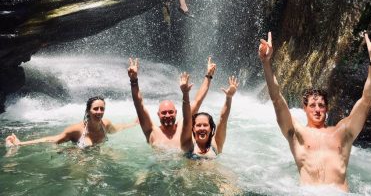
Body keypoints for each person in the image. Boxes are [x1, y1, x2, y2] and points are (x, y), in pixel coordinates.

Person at [258, 31, 371, 191]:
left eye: (321, 105)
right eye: (312, 105)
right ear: (304, 108)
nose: (317, 109)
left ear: (327, 108)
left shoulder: (343, 132)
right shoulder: (297, 133)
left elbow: (366, 101)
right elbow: (276, 99)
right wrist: (266, 62)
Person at [128, 57, 216, 149]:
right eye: (163, 113)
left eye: (170, 112)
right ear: (158, 114)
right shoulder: (151, 131)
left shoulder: (183, 126)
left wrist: (209, 76)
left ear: (176, 113)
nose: (167, 115)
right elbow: (139, 105)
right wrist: (133, 80)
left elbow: (198, 101)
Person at [5, 96, 138, 148]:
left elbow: (117, 129)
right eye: (95, 109)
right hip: (79, 157)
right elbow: (52, 139)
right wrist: (21, 143)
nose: (99, 112)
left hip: (98, 155)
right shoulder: (76, 130)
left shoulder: (106, 124)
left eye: (102, 109)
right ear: (88, 111)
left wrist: (132, 124)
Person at [180, 74, 238, 159]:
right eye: (198, 125)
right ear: (193, 128)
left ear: (211, 128)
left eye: (205, 125)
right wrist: (185, 93)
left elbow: (223, 120)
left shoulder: (216, 144)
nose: (202, 128)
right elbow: (186, 120)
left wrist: (229, 97)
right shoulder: (187, 144)